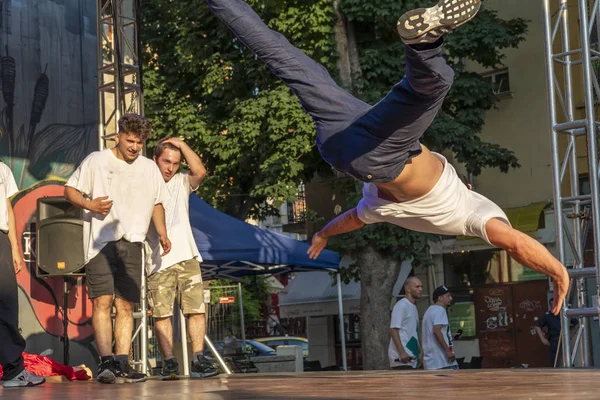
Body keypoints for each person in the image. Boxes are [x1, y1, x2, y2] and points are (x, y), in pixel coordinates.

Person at [205, 0, 570, 314]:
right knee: (288, 62)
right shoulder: (383, 210)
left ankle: (424, 44)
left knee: (434, 86)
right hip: (343, 143)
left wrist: (556, 269)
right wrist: (321, 235)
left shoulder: (472, 215)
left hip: (384, 151)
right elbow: (350, 220)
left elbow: (515, 242)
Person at [64, 114, 172, 384]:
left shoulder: (149, 168)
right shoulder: (96, 161)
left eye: (139, 142)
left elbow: (157, 203)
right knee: (102, 301)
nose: (134, 147)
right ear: (118, 136)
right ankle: (105, 363)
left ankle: (123, 362)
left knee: (126, 304)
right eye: (130, 140)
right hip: (100, 243)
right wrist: (89, 205)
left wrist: (162, 233)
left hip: (133, 242)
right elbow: (70, 190)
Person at [145, 137, 218, 379]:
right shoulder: (144, 182)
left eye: (176, 163)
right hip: (157, 260)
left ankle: (198, 359)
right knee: (162, 314)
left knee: (196, 310)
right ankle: (169, 363)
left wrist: (181, 145)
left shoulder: (180, 181)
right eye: (166, 161)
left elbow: (200, 170)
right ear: (155, 159)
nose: (171, 167)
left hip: (186, 255)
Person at [0, 161, 45, 388]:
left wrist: (15, 249)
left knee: (6, 305)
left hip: (0, 238)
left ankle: (13, 372)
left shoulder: (2, 169)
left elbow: (7, 208)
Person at [389, 277, 423, 370]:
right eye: (417, 286)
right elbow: (393, 329)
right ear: (408, 289)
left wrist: (420, 351)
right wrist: (402, 352)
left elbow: (413, 332)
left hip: (412, 357)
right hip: (402, 359)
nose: (420, 289)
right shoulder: (401, 305)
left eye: (421, 286)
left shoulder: (413, 307)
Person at [422, 286, 458, 370]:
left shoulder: (429, 311)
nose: (451, 298)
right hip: (443, 361)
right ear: (440, 298)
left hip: (431, 362)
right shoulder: (440, 310)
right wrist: (448, 351)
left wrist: (450, 336)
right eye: (448, 296)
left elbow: (433, 333)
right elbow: (437, 331)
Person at [535, 298, 578, 367]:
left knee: (569, 360)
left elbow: (577, 323)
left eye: (555, 304)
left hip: (564, 340)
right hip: (554, 340)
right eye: (552, 304)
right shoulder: (547, 315)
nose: (553, 306)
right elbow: (537, 326)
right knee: (555, 361)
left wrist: (571, 334)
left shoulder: (564, 314)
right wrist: (543, 339)